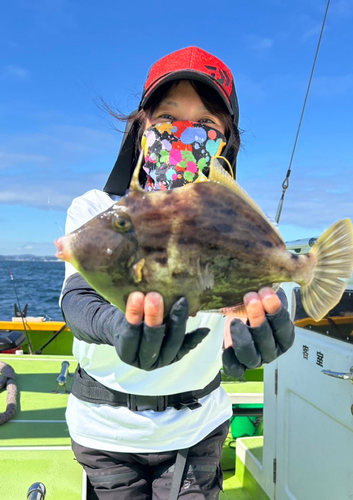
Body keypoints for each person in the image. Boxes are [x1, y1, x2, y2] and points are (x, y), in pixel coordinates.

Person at [60, 46, 295, 500]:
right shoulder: (100, 210)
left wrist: (261, 322)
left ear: (225, 142)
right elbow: (77, 298)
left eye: (206, 124)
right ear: (142, 128)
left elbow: (244, 310)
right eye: (169, 117)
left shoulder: (243, 232)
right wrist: (114, 325)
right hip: (104, 432)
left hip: (197, 430)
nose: (187, 134)